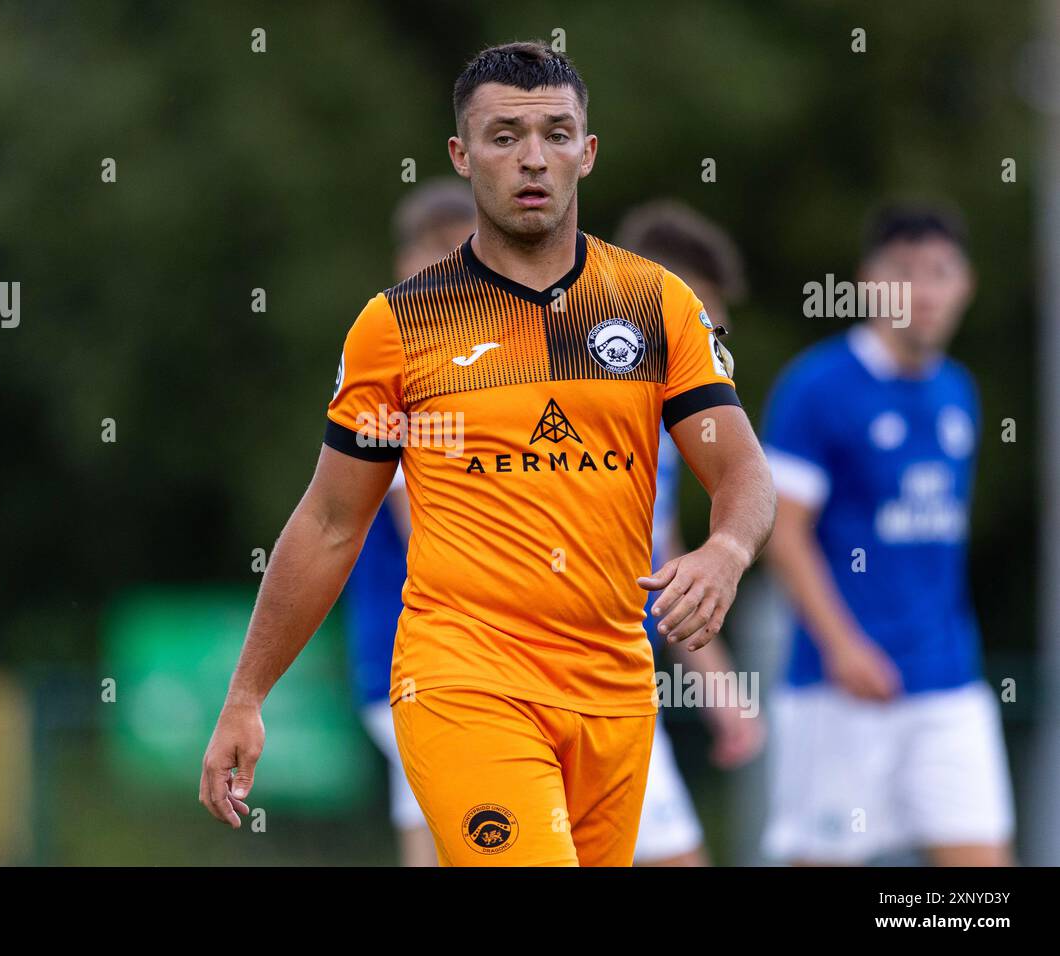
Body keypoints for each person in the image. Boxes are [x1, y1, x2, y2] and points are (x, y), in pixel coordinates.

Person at [200, 40, 776, 866]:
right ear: (461, 156)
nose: (532, 157)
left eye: (555, 132)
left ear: (588, 151)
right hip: (462, 677)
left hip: (614, 690)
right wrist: (246, 696)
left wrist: (726, 549)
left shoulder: (658, 305)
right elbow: (331, 522)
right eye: (504, 136)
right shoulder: (396, 327)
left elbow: (744, 472)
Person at [760, 202, 1015, 866]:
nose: (923, 292)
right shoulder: (817, 388)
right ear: (869, 282)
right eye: (904, 272)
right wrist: (844, 646)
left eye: (939, 272)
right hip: (839, 689)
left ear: (966, 284)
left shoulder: (959, 393)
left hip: (948, 682)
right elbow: (781, 533)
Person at [614, 201, 765, 866]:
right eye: (699, 316)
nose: (710, 339)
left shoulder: (671, 415)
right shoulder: (579, 394)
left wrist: (718, 685)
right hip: (542, 678)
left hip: (622, 682)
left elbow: (663, 556)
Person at [344, 179, 475, 867]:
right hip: (416, 654)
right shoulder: (396, 363)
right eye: (442, 256)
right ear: (407, 266)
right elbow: (426, 517)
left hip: (444, 657)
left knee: (431, 832)